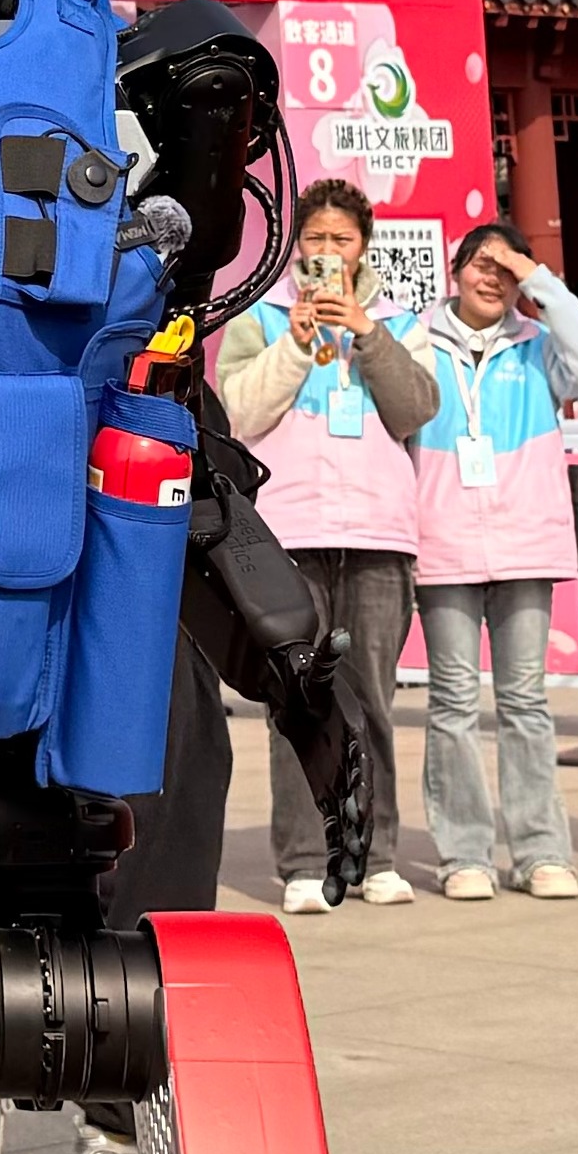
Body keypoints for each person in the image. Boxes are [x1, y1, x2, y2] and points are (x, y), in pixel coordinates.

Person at [215, 181, 433, 908]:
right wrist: (295, 344)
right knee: (297, 702)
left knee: (371, 703)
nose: (328, 252)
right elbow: (237, 414)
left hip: (377, 536)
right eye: (315, 239)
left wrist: (367, 334)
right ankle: (306, 861)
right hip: (288, 535)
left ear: (363, 246)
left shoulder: (397, 320)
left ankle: (376, 857)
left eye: (342, 240)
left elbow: (415, 410)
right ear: (295, 246)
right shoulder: (260, 317)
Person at [403, 225, 578, 899]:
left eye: (506, 269)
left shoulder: (539, 347)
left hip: (524, 543)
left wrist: (536, 275)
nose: (492, 278)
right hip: (443, 541)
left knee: (524, 703)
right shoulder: (417, 341)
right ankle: (464, 855)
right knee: (453, 704)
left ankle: (541, 851)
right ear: (455, 270)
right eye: (480, 264)